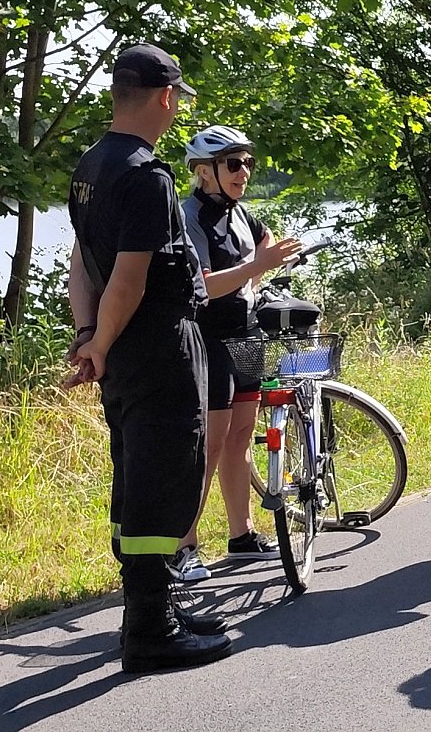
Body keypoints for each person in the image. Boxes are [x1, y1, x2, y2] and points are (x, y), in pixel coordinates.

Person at [65, 43, 232, 673]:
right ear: (164, 97)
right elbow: (131, 280)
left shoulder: (91, 166)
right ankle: (151, 629)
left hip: (122, 351)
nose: (174, 115)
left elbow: (84, 263)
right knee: (163, 478)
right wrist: (102, 342)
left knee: (135, 472)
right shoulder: (146, 176)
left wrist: (88, 337)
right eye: (175, 103)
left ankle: (154, 606)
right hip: (158, 346)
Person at [173, 124, 305, 582]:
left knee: (241, 435)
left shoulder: (240, 214)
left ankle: (241, 536)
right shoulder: (190, 216)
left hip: (246, 333)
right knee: (208, 444)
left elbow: (265, 245)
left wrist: (269, 264)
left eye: (248, 163)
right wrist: (256, 267)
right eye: (233, 164)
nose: (243, 171)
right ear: (204, 171)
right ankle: (183, 546)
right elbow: (203, 287)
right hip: (208, 335)